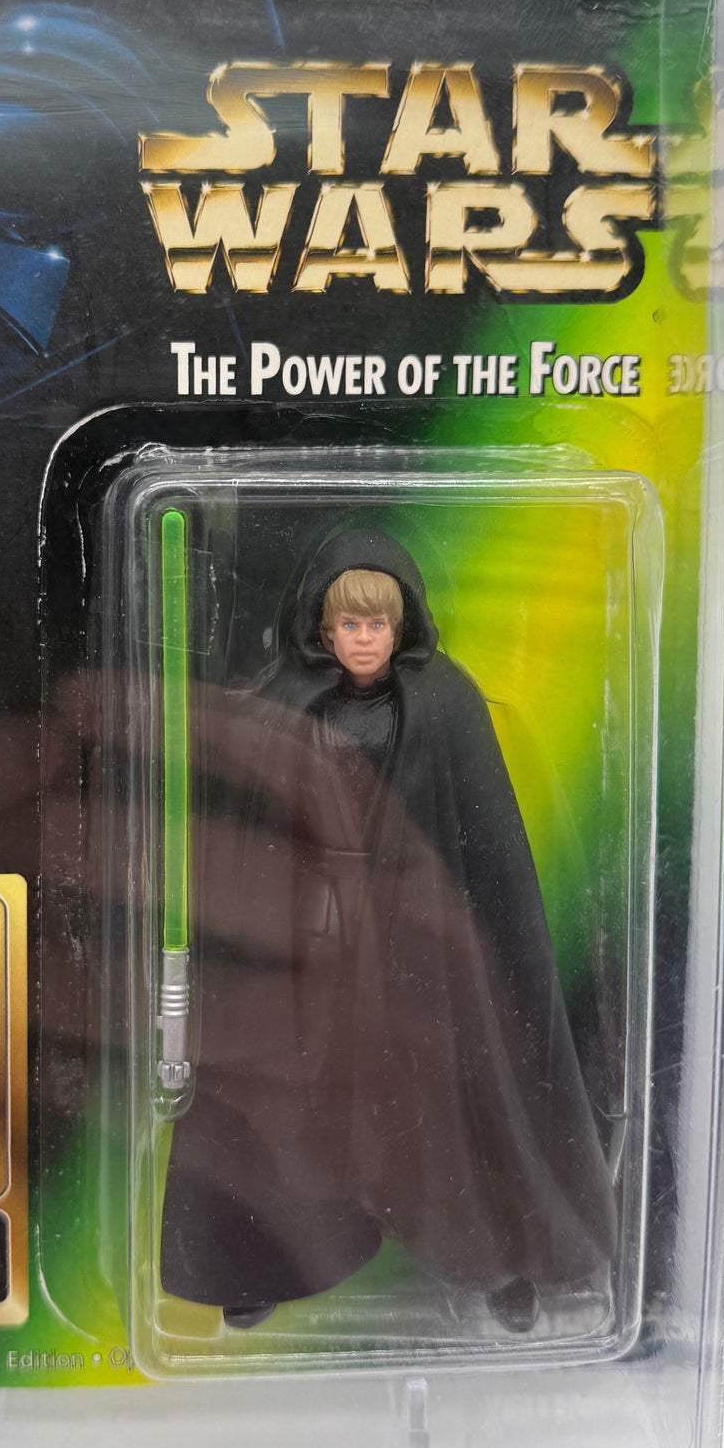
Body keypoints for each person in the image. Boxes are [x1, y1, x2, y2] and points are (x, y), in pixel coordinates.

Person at [158, 529, 617, 1335]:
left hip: (418, 936)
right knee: (285, 1086)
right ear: (322, 628)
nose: (364, 640)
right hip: (312, 936)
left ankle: (503, 1261)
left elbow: (488, 849)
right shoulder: (283, 702)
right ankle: (256, 1259)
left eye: (377, 624)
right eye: (349, 625)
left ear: (401, 627)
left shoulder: (446, 705)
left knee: (457, 1085)